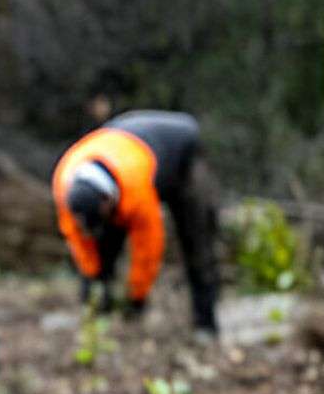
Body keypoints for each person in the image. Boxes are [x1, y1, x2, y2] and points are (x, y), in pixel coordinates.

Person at [53, 110, 221, 338]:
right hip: (125, 145)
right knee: (103, 246)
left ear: (107, 201)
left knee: (197, 241)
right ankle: (98, 318)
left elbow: (148, 247)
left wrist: (137, 295)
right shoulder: (65, 187)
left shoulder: (136, 192)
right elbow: (77, 238)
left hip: (182, 153)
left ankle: (205, 325)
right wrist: (93, 277)